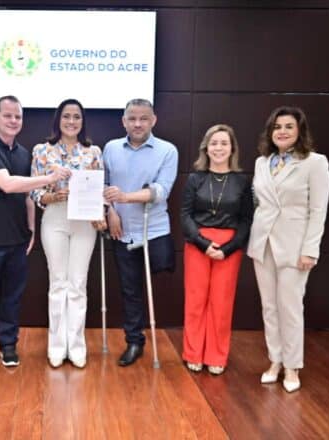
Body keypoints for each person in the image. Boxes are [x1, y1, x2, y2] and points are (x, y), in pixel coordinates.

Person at [0, 95, 70, 371]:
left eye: (18, 116)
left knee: (12, 297)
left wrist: (31, 228)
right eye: (8, 115)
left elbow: (27, 196)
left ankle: (8, 345)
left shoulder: (24, 154)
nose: (13, 121)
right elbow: (8, 184)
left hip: (16, 239)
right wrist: (49, 178)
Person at [247, 106, 329, 392]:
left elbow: (318, 210)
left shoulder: (314, 163)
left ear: (299, 131)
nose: (282, 131)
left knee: (291, 308)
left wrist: (311, 249)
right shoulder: (262, 162)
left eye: (288, 126)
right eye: (277, 127)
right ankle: (275, 361)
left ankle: (293, 366)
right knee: (269, 307)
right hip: (262, 244)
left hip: (294, 247)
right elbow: (260, 203)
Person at [30, 99, 106, 369]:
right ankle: (56, 346)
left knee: (78, 283)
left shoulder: (93, 152)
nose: (71, 121)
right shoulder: (42, 150)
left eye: (76, 117)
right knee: (58, 282)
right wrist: (53, 196)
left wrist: (100, 213)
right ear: (58, 120)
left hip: (84, 222)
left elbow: (99, 188)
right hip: (55, 218)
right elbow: (34, 190)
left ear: (82, 121)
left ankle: (76, 346)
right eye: (66, 116)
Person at [103, 98, 178, 367]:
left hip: (154, 229)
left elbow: (161, 191)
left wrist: (125, 197)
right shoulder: (111, 148)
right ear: (123, 121)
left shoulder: (167, 150)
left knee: (162, 276)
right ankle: (134, 341)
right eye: (132, 119)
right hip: (122, 232)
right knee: (130, 289)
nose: (137, 124)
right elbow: (104, 186)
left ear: (153, 120)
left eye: (143, 118)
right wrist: (110, 211)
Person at [181, 124, 252, 375]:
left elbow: (246, 220)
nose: (218, 148)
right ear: (206, 148)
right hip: (197, 244)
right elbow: (185, 215)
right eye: (214, 143)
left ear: (232, 148)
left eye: (224, 143)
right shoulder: (195, 178)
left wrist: (228, 248)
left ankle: (216, 356)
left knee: (221, 304)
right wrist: (202, 243)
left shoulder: (241, 181)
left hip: (228, 247)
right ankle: (193, 353)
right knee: (195, 301)